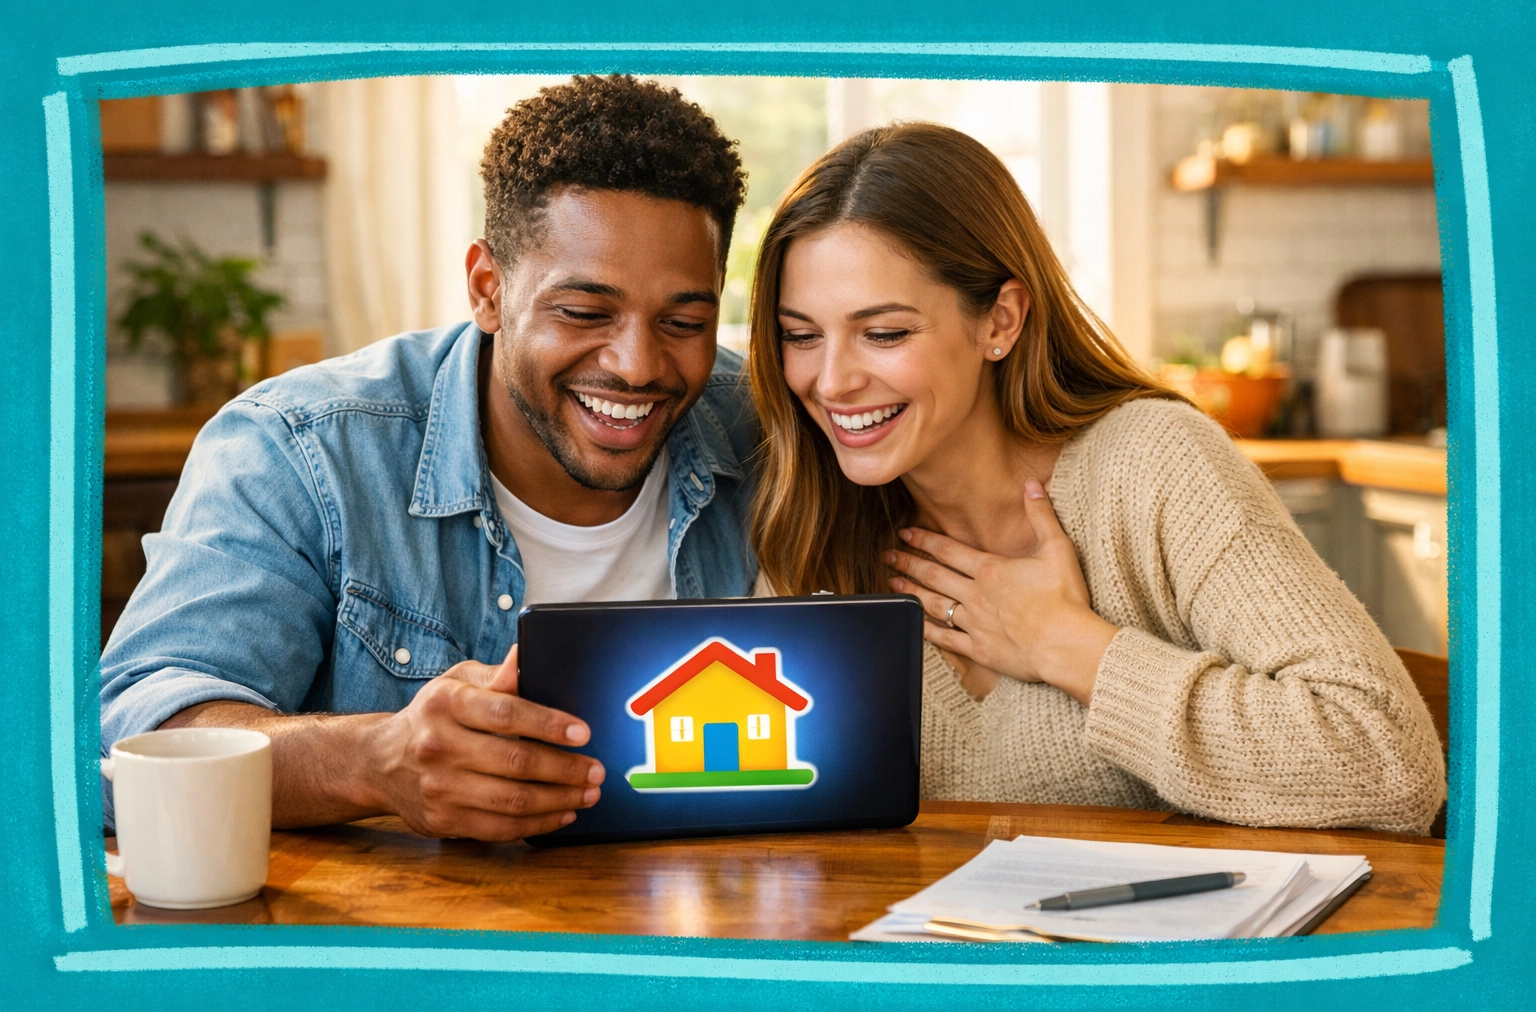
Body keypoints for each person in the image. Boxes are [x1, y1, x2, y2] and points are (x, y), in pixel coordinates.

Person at [99, 75, 757, 842]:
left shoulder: (767, 429)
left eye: (683, 321)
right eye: (584, 312)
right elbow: (127, 739)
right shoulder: (301, 449)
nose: (638, 365)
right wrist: (370, 762)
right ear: (488, 288)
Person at [748, 123, 1446, 834]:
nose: (831, 381)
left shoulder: (1152, 466)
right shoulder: (811, 520)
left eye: (885, 333)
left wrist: (1067, 645)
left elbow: (1388, 766)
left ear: (1001, 320)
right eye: (801, 335)